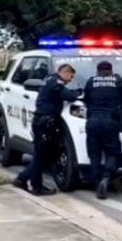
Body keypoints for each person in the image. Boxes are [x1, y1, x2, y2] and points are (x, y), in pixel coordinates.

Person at [13, 63, 77, 196]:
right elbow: (70, 96)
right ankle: (36, 187)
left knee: (41, 155)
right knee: (41, 157)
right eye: (70, 76)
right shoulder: (56, 82)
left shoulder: (49, 79)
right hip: (45, 122)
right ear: (64, 73)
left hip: (41, 121)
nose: (71, 79)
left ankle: (22, 179)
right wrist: (76, 93)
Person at [81, 60, 122, 199]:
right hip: (111, 121)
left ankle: (97, 183)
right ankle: (106, 177)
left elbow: (86, 99)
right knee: (112, 153)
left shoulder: (91, 81)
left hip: (93, 121)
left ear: (97, 70)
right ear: (111, 70)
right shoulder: (118, 81)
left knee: (94, 154)